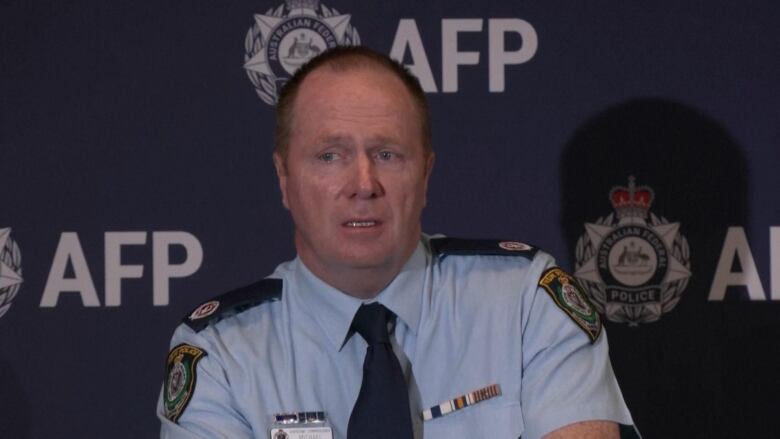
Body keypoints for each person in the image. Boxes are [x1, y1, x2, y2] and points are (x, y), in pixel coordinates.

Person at [157, 46, 639, 439]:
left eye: (388, 154)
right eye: (330, 156)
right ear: (284, 178)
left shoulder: (525, 303)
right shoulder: (222, 354)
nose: (363, 184)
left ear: (426, 173)